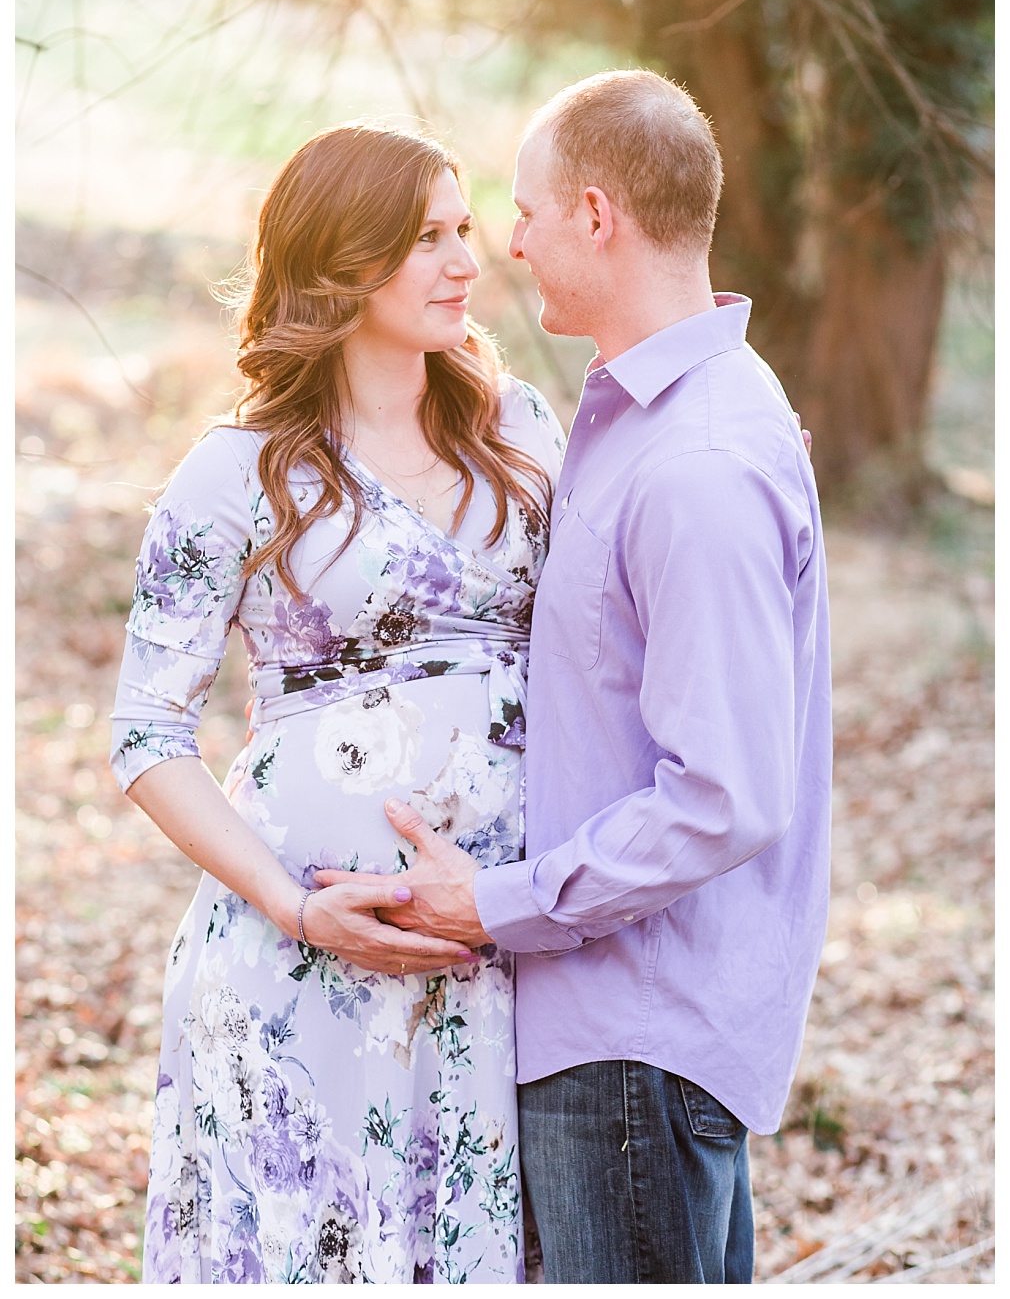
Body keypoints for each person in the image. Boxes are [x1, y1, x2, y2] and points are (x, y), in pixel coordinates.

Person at [335, 70, 833, 1284]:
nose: (507, 243)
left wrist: (494, 905)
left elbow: (723, 794)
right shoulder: (643, 417)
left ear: (598, 216)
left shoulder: (695, 464)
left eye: (528, 211)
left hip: (631, 1043)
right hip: (619, 1034)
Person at [109, 123, 567, 1284]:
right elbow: (147, 733)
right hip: (296, 957)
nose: (467, 261)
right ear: (341, 262)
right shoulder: (240, 470)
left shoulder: (518, 435)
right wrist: (290, 904)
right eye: (427, 238)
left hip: (497, 948)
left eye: (466, 229)